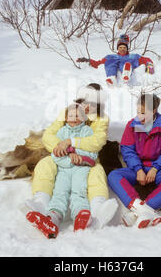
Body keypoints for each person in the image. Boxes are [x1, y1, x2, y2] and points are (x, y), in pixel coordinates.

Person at [25, 83, 118, 230]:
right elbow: (49, 135)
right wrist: (64, 149)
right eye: (86, 102)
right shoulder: (69, 112)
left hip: (87, 160)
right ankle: (41, 204)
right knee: (45, 164)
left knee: (97, 172)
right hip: (62, 157)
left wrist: (71, 142)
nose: (88, 107)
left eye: (93, 104)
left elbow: (97, 142)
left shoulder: (101, 119)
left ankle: (97, 208)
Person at [107, 93, 161, 228]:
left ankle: (136, 213)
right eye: (137, 112)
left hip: (158, 169)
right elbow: (127, 150)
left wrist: (155, 168)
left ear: (153, 111)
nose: (139, 116)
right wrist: (138, 169)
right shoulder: (132, 126)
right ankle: (142, 210)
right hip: (136, 168)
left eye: (143, 113)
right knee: (113, 176)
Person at [27, 104, 98, 238]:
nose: (74, 118)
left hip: (81, 169)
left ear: (84, 117)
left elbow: (93, 153)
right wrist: (70, 157)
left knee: (79, 191)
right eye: (70, 116)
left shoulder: (87, 132)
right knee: (59, 192)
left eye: (77, 115)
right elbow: (56, 155)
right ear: (65, 118)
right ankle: (53, 218)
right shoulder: (62, 132)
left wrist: (80, 156)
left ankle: (80, 215)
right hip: (64, 170)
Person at [76, 34, 155, 86]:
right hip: (114, 66)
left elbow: (147, 59)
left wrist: (150, 69)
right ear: (117, 48)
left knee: (126, 64)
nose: (122, 49)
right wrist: (87, 60)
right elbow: (97, 63)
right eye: (120, 47)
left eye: (124, 48)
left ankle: (126, 74)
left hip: (127, 66)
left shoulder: (133, 56)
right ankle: (111, 79)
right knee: (110, 62)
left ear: (127, 48)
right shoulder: (111, 56)